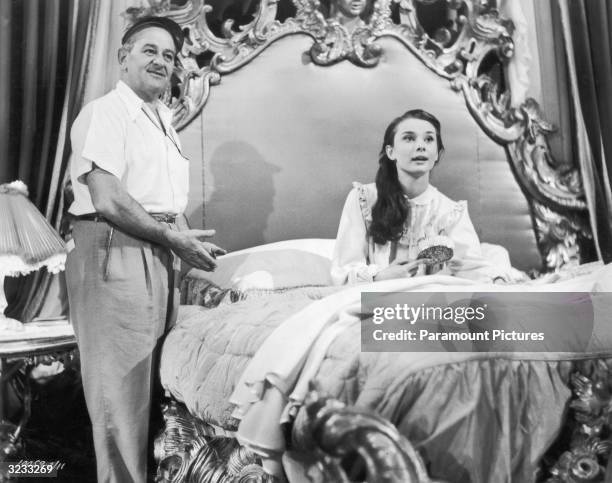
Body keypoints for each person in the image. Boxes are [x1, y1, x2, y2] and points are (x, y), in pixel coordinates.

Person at [65, 16, 225, 483]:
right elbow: (108, 197)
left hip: (158, 249)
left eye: (170, 56)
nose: (161, 61)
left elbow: (164, 203)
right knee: (118, 391)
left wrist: (184, 245)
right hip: (115, 247)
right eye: (149, 50)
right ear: (123, 57)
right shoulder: (105, 113)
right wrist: (174, 239)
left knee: (149, 390)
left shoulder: (162, 120)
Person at [331, 109, 517, 285]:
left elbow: (471, 267)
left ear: (437, 154)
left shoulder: (451, 212)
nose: (420, 146)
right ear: (391, 152)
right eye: (409, 138)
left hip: (432, 302)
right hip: (378, 301)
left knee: (497, 255)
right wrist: (381, 276)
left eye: (429, 139)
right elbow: (343, 272)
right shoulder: (363, 199)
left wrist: (497, 280)